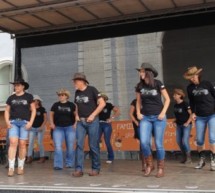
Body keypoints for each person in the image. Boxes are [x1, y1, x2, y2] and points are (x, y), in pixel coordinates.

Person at [136, 63, 170, 178]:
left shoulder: (158, 83)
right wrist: (138, 112)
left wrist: (163, 112)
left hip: (158, 117)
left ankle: (160, 168)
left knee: (158, 144)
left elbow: (167, 99)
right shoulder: (139, 86)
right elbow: (138, 101)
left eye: (142, 71)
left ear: (148, 73)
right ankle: (150, 165)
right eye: (140, 71)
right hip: (145, 117)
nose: (140, 73)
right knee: (144, 142)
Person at [72, 72, 106, 177]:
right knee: (79, 145)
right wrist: (76, 117)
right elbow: (77, 105)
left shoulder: (92, 89)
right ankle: (79, 169)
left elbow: (102, 103)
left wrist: (93, 115)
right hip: (80, 122)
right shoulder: (77, 92)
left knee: (93, 145)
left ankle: (95, 169)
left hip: (92, 122)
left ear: (82, 81)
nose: (74, 83)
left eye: (75, 81)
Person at [184, 66, 215, 170]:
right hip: (200, 117)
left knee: (212, 138)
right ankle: (202, 161)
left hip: (212, 115)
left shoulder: (207, 83)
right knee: (200, 140)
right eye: (190, 77)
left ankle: (213, 161)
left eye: (194, 76)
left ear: (198, 75)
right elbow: (192, 102)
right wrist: (192, 113)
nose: (192, 79)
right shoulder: (190, 88)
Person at [4, 78, 36, 177]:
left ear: (23, 86)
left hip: (24, 123)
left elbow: (33, 110)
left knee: (22, 144)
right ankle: (11, 168)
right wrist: (7, 122)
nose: (16, 87)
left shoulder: (29, 96)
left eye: (18, 85)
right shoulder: (11, 98)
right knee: (13, 143)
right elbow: (6, 111)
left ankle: (21, 167)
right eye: (15, 85)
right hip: (13, 122)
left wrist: (30, 122)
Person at [50, 89, 77, 170]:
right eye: (59, 95)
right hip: (58, 128)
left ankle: (69, 163)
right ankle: (58, 165)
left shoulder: (71, 105)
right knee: (58, 146)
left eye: (62, 95)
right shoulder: (55, 105)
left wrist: (75, 124)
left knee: (70, 146)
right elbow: (51, 114)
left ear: (66, 96)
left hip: (70, 127)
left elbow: (76, 115)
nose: (60, 96)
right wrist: (51, 123)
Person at [99, 93, 120, 164]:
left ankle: (111, 157)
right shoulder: (97, 106)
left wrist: (112, 118)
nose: (99, 100)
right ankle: (96, 157)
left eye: (100, 99)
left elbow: (117, 111)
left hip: (106, 124)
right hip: (98, 124)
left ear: (104, 99)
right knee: (96, 140)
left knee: (107, 140)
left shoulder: (108, 105)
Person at [173, 89, 192, 164]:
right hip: (179, 125)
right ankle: (184, 156)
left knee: (184, 141)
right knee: (178, 141)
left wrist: (187, 122)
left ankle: (189, 158)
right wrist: (174, 121)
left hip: (186, 125)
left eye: (175, 94)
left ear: (180, 95)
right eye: (174, 95)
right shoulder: (175, 105)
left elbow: (191, 114)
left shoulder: (185, 104)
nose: (174, 96)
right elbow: (177, 116)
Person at [26, 95, 47, 164]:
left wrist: (42, 126)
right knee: (31, 142)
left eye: (37, 100)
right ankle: (29, 157)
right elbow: (28, 118)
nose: (35, 101)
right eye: (34, 100)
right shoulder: (30, 109)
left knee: (39, 142)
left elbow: (45, 118)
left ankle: (42, 157)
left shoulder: (42, 109)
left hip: (40, 128)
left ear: (39, 101)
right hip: (32, 128)